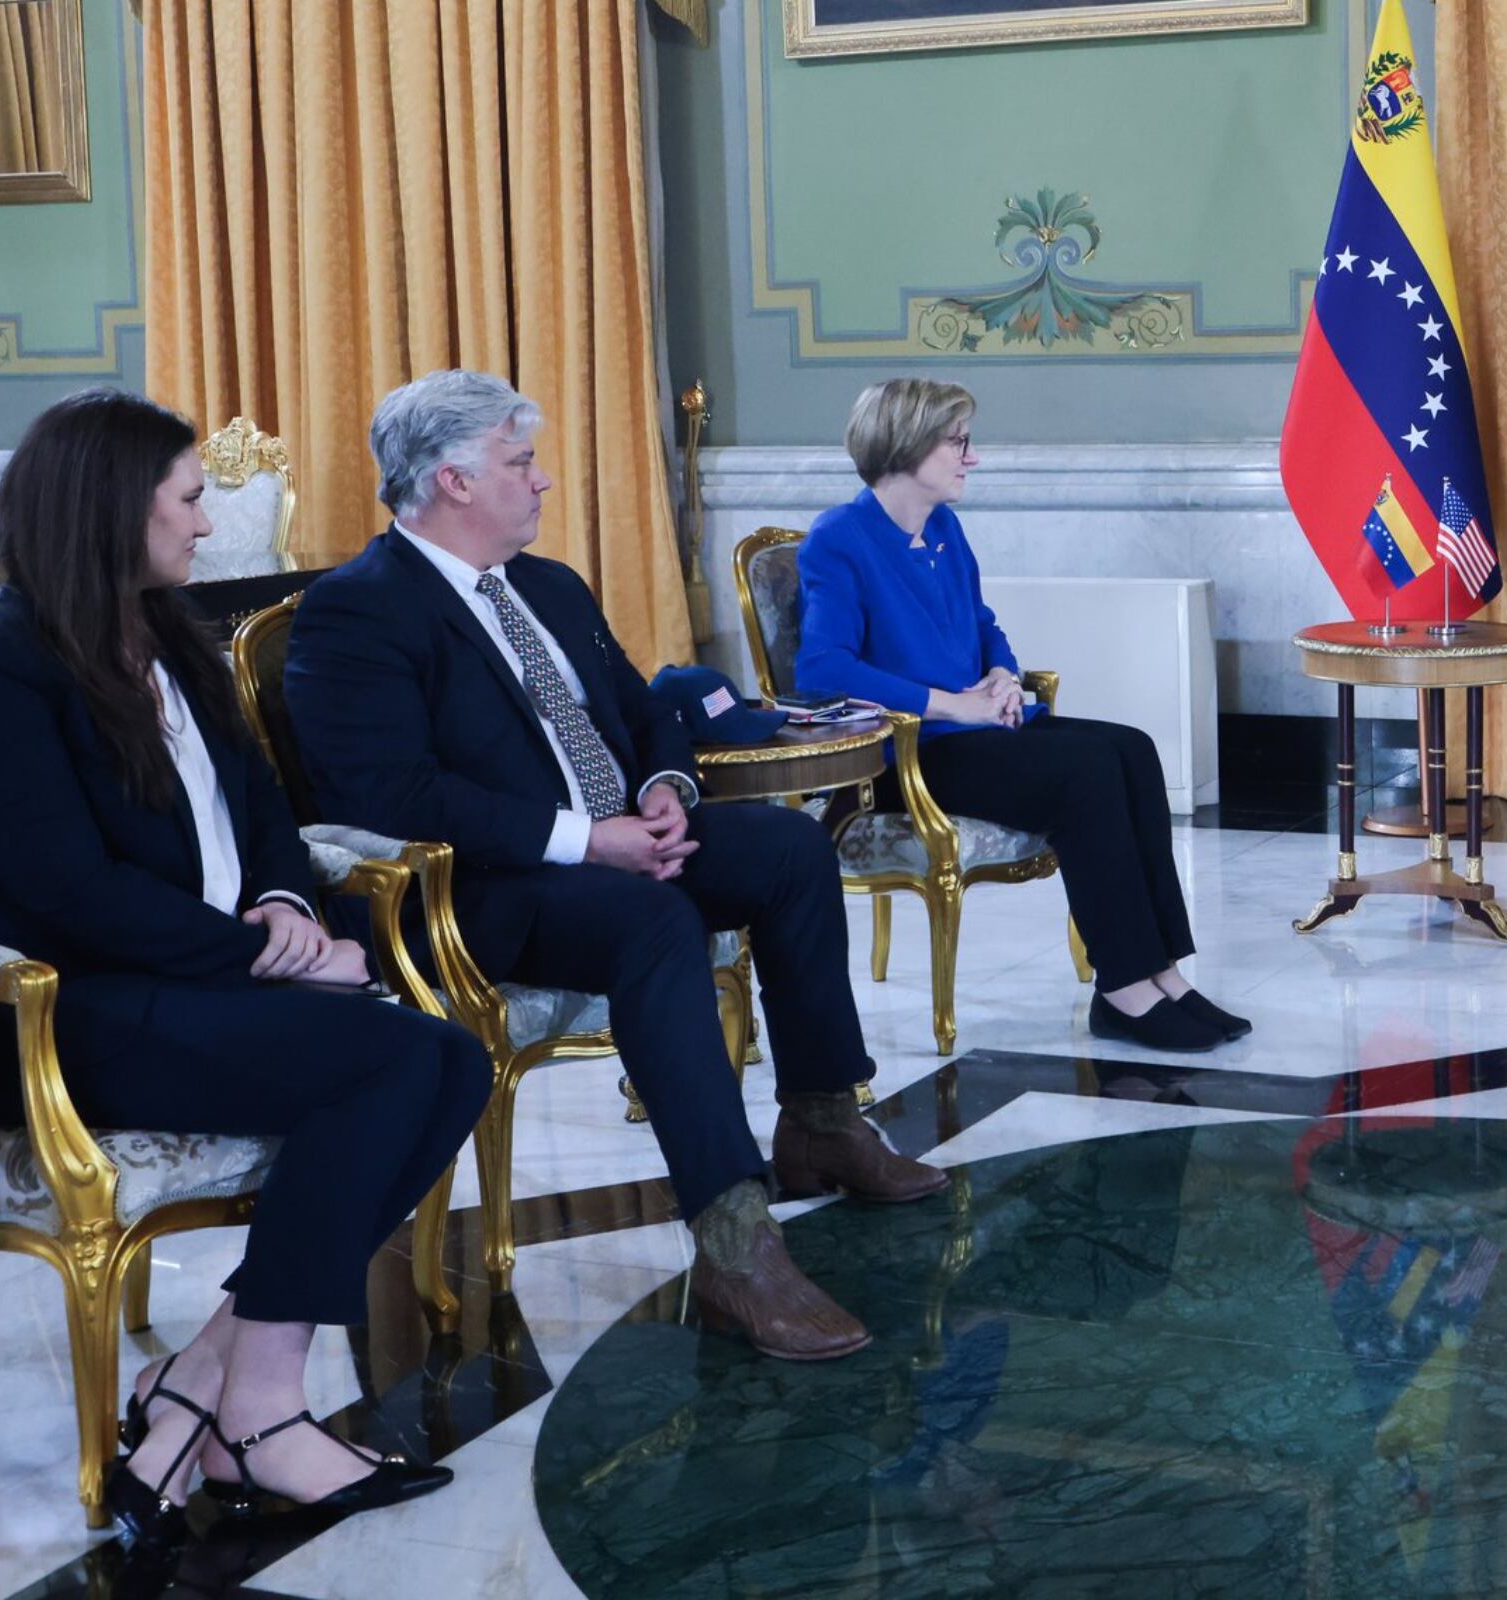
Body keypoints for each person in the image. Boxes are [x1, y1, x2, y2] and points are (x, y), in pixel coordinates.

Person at [283, 369, 944, 1364]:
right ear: (453, 479)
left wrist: (666, 788)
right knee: (653, 924)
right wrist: (583, 839)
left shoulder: (546, 584)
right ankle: (733, 1242)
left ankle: (820, 1118)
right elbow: (392, 797)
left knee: (789, 847)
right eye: (521, 462)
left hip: (612, 837)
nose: (542, 481)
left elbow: (645, 712)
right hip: (481, 890)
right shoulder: (357, 611)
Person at [0, 391, 492, 1550]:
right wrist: (263, 949)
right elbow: (67, 892)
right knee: (392, 1064)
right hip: (78, 1014)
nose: (207, 526)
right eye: (190, 498)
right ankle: (254, 1407)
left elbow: (264, 804)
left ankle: (215, 1386)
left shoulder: (166, 631)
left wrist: (277, 899)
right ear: (113, 508)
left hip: (203, 979)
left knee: (446, 1060)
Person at [794, 379, 1249, 1052]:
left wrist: (1003, 674)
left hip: (977, 732)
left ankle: (1163, 972)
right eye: (957, 443)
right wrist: (957, 703)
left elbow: (983, 625)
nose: (969, 458)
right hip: (913, 754)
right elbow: (822, 669)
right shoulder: (839, 538)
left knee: (1132, 748)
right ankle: (1122, 990)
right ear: (907, 446)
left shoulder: (943, 527)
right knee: (1084, 772)